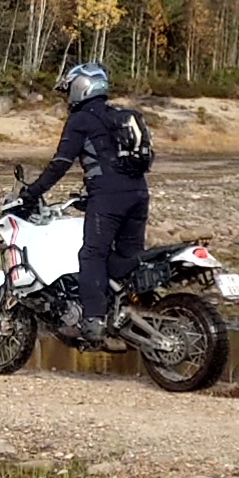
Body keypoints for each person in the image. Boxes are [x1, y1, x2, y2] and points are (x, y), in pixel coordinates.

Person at [16, 60, 153, 344]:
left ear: (80, 88)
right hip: (138, 194)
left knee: (92, 255)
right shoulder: (117, 117)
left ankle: (93, 321)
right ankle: (134, 313)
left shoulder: (81, 120)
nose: (68, 97)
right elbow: (112, 162)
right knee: (128, 258)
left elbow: (61, 163)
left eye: (69, 91)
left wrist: (32, 192)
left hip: (108, 198)